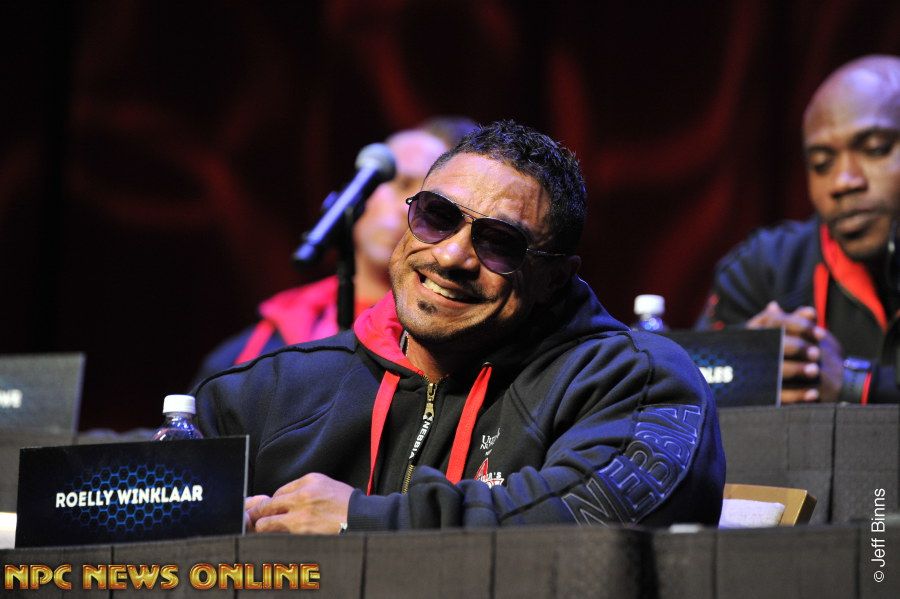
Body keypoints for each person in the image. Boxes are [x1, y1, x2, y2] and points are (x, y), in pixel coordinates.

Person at [195, 120, 725, 534]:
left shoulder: (631, 379)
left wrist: (363, 521)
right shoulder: (266, 394)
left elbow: (594, 518)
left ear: (555, 278)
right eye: (437, 216)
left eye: (499, 243)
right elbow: (159, 531)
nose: (451, 257)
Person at [193, 117, 478, 382]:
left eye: (434, 204)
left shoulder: (450, 350)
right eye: (401, 183)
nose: (407, 210)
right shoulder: (264, 340)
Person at [696, 55, 900, 405]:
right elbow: (687, 382)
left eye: (875, 149)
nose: (843, 181)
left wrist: (855, 383)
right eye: (821, 163)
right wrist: (743, 363)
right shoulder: (765, 269)